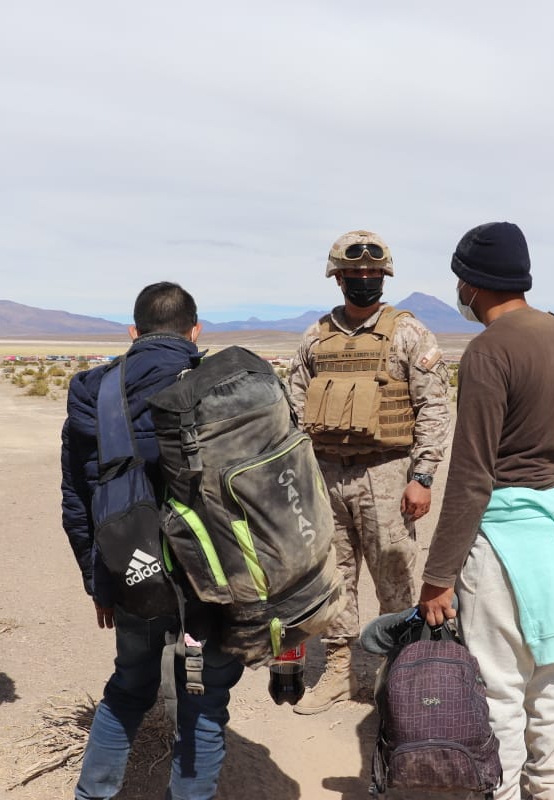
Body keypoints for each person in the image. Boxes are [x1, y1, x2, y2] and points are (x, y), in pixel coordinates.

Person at [417, 222, 554, 800]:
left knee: (498, 691)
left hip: (506, 543)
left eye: (459, 280)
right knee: (552, 678)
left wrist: (438, 575)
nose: (458, 291)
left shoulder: (489, 350)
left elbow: (471, 476)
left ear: (472, 283)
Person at [61, 282, 244, 800]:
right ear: (195, 331)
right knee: (204, 699)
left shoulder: (96, 393)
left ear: (133, 332)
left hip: (134, 569)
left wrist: (100, 583)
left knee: (129, 687)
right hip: (216, 575)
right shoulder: (227, 386)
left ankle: (92, 795)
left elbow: (78, 502)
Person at [287, 230, 451, 714]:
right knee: (333, 577)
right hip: (326, 475)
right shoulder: (315, 337)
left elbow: (434, 407)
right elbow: (294, 408)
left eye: (372, 273)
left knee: (394, 576)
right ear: (338, 279)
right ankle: (340, 670)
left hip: (388, 474)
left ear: (384, 276)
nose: (364, 279)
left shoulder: (408, 333)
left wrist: (422, 477)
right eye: (354, 273)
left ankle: (395, 672)